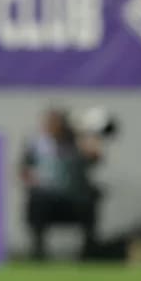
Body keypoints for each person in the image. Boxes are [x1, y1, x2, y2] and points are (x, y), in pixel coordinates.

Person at [21, 107, 103, 260]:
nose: (52, 127)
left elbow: (95, 157)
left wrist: (83, 134)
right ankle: (38, 251)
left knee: (90, 198)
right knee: (36, 201)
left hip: (73, 198)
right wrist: (33, 179)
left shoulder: (76, 143)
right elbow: (24, 170)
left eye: (56, 123)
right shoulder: (37, 144)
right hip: (47, 198)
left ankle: (89, 251)